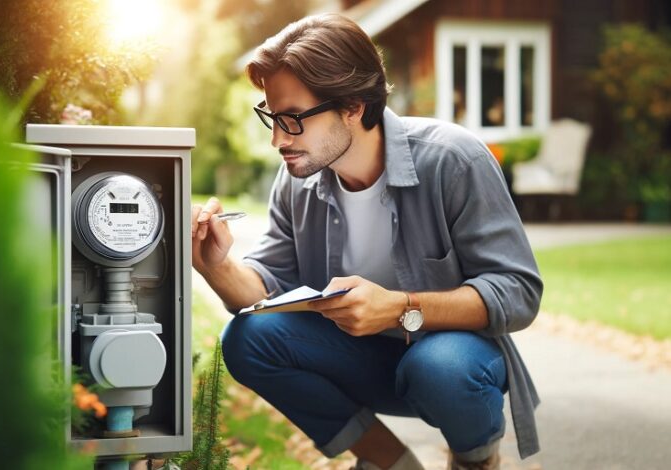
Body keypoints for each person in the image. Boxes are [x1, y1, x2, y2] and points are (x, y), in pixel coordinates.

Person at [192, 13, 542, 470]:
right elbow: (265, 291)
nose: (278, 139)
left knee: (438, 367)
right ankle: (389, 462)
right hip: (360, 361)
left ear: (354, 106)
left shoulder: (452, 159)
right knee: (246, 337)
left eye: (293, 119)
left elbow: (518, 292)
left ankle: (475, 459)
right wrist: (215, 265)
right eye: (271, 118)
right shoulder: (298, 177)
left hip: (452, 362)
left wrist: (399, 308)